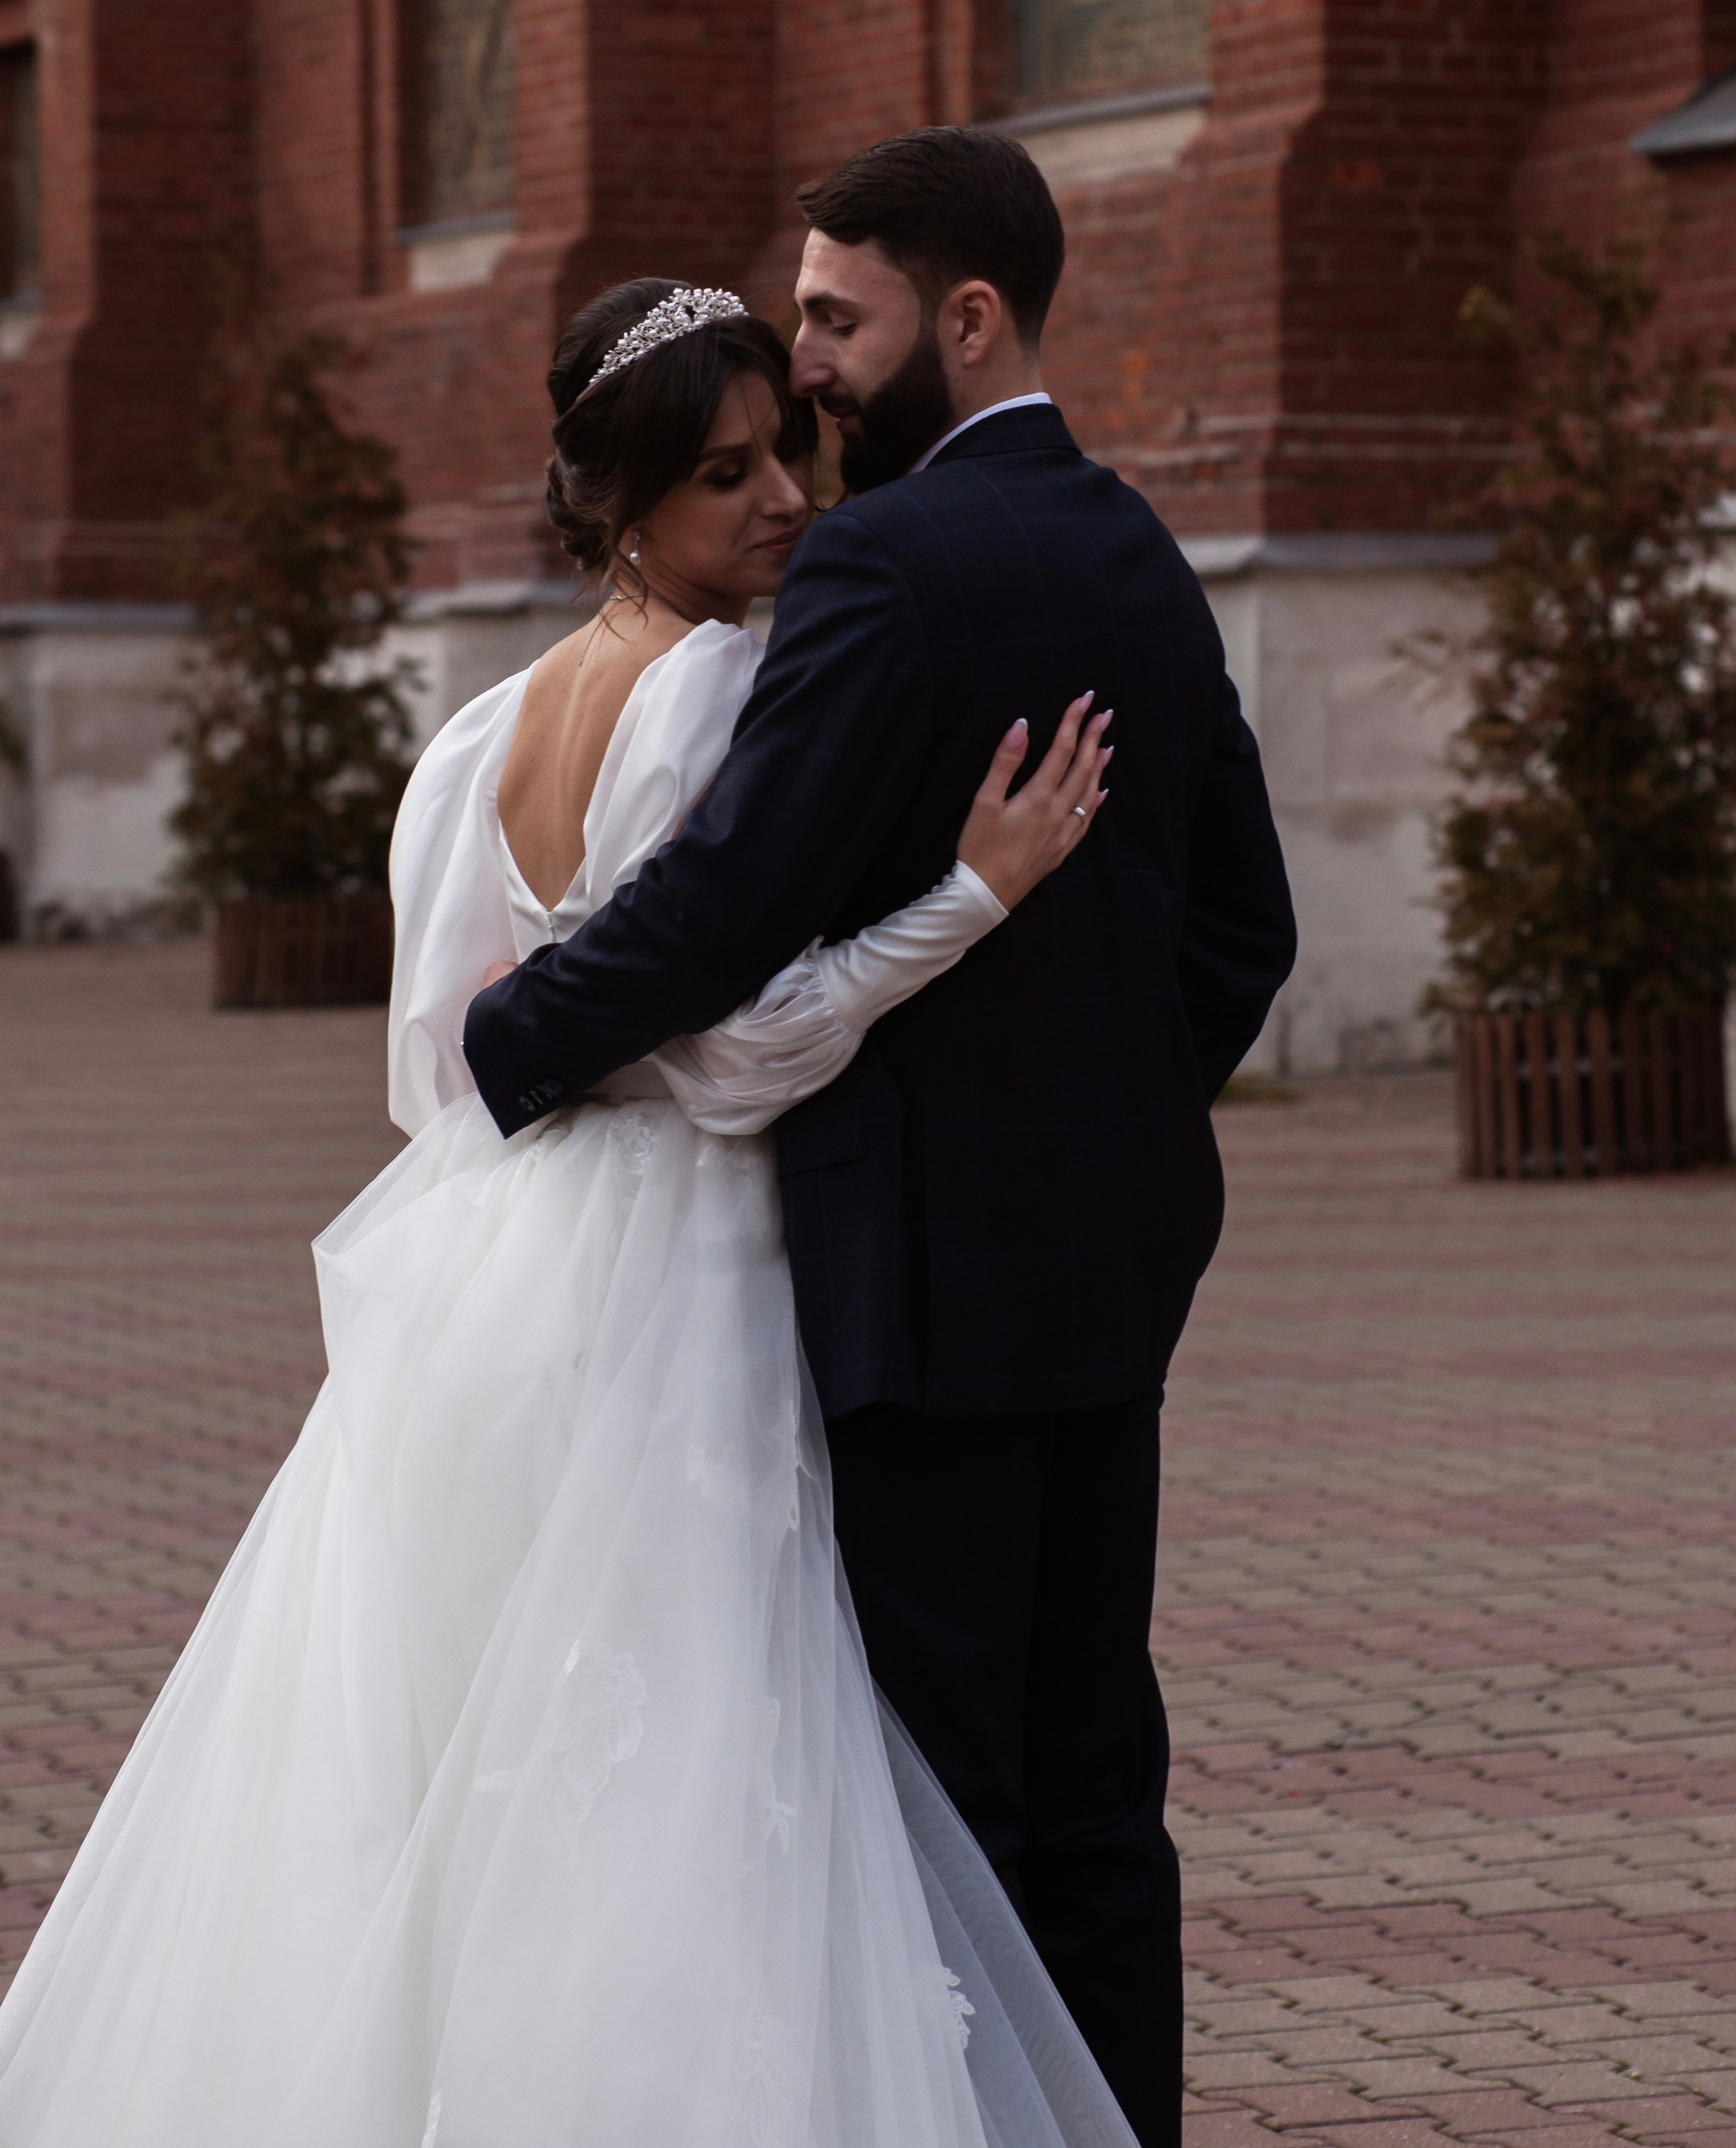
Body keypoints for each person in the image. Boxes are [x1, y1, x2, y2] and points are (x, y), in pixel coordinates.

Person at [0, 277, 1134, 2148]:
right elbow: (738, 1062)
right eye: (722, 476)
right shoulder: (724, 688)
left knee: (450, 1759)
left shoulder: (472, 739)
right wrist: (964, 903)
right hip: (683, 1281)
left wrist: (581, 1088)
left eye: (783, 455)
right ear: (619, 507)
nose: (779, 503)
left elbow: (436, 1074)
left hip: (485, 1279)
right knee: (681, 1755)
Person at [467, 130, 1299, 2148]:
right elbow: (1245, 931)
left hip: (913, 1294)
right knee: (1099, 1787)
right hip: (1108, 1282)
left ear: (973, 316)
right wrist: (1097, 1123)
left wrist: (519, 1035)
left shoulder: (881, 564)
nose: (812, 363)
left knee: (937, 1800)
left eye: (839, 317)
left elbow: (734, 899)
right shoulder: (1136, 550)